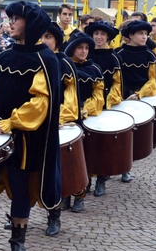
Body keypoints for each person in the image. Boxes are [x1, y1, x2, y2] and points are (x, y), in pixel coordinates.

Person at [0, 1, 61, 251]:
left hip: (24, 138)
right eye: (10, 18)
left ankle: (17, 241)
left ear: (31, 23)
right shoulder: (2, 57)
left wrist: (10, 123)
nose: (10, 22)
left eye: (16, 19)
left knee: (20, 186)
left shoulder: (46, 59)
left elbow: (40, 103)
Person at [42, 22, 77, 236]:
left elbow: (70, 98)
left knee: (52, 173)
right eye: (41, 36)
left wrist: (58, 118)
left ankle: (54, 215)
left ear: (56, 41)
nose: (44, 41)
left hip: (54, 125)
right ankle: (19, 215)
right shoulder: (32, 58)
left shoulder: (64, 63)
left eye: (48, 37)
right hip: (30, 124)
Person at [62, 34, 103, 213]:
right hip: (65, 116)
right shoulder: (63, 66)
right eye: (80, 48)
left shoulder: (94, 69)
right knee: (65, 157)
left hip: (85, 116)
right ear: (72, 49)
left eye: (86, 48)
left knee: (81, 158)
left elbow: (98, 95)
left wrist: (86, 110)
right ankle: (65, 193)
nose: (84, 51)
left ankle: (80, 195)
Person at [114, 20, 156, 182]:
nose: (144, 37)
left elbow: (153, 81)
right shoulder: (118, 53)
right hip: (120, 97)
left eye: (146, 34)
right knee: (117, 134)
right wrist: (120, 95)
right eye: (140, 33)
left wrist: (139, 94)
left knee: (133, 136)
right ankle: (106, 172)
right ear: (131, 35)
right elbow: (115, 78)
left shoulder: (150, 55)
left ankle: (126, 167)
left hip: (140, 98)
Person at [85, 21, 122, 196]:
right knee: (87, 144)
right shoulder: (86, 54)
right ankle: (86, 179)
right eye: (96, 34)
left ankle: (102, 178)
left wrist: (108, 102)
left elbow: (117, 84)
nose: (99, 37)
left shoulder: (114, 58)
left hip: (106, 106)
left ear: (107, 37)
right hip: (87, 105)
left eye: (102, 34)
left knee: (103, 144)